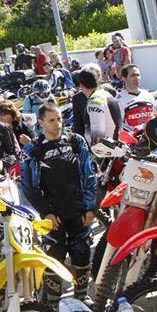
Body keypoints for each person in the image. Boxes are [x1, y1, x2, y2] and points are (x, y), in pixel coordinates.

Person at [21, 103, 98, 299]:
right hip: (52, 216)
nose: (57, 124)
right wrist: (46, 212)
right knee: (54, 257)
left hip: (78, 211)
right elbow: (28, 187)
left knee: (81, 254)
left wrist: (90, 208)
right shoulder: (32, 150)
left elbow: (90, 175)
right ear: (41, 122)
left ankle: (81, 298)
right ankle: (52, 305)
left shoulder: (76, 141)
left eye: (59, 119)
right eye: (51, 120)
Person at [75, 69, 121, 146]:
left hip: (107, 150)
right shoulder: (105, 94)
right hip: (115, 144)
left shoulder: (95, 101)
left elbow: (97, 133)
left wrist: (95, 153)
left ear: (81, 85)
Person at [116, 64, 157, 133]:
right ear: (124, 78)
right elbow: (117, 125)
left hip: (150, 137)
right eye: (133, 75)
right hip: (131, 141)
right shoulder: (119, 99)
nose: (137, 78)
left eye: (138, 75)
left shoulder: (148, 95)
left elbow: (156, 116)